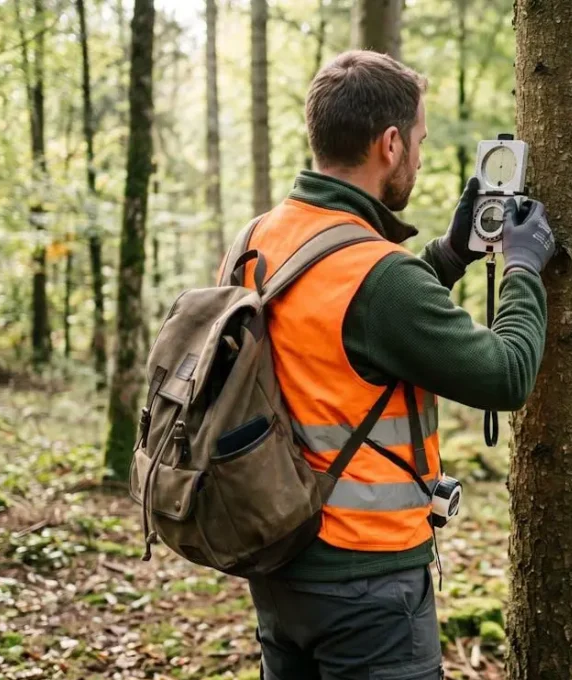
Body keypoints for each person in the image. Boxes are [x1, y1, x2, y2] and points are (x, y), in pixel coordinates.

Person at [238, 50, 556, 679]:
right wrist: (523, 266)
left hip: (275, 560)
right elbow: (505, 376)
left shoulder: (260, 238)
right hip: (366, 579)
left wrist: (448, 254)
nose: (419, 155)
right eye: (418, 140)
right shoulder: (379, 275)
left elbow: (337, 335)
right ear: (389, 143)